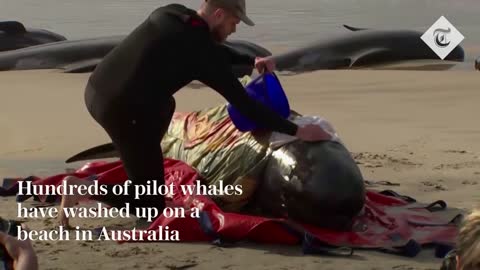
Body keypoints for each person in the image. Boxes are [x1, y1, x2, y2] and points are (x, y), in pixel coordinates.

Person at [82, 0, 331, 222]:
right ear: (220, 14)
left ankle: (143, 167)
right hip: (122, 109)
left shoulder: (172, 13)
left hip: (97, 89)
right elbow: (246, 106)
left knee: (165, 107)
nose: (234, 30)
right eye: (234, 22)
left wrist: (249, 61)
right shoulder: (201, 53)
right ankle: (82, 188)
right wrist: (298, 130)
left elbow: (210, 49)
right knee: (151, 206)